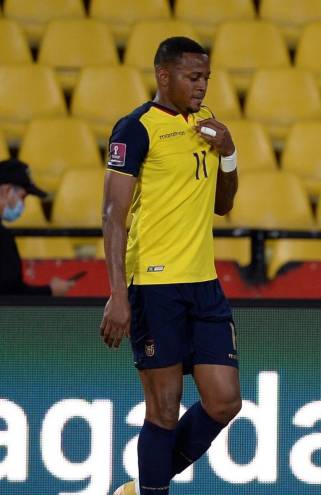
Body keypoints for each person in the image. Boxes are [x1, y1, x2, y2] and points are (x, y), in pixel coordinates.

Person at [100, 37, 240, 495]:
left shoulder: (207, 124)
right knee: (163, 409)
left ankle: (141, 487)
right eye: (192, 77)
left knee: (224, 402)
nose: (201, 87)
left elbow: (224, 205)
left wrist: (230, 154)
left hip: (204, 283)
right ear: (165, 76)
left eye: (206, 78)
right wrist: (119, 294)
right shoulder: (135, 129)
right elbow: (113, 215)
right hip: (154, 286)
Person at [0, 158, 74, 296]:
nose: (22, 204)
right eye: (23, 197)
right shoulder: (3, 237)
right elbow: (11, 294)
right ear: (7, 190)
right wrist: (50, 290)